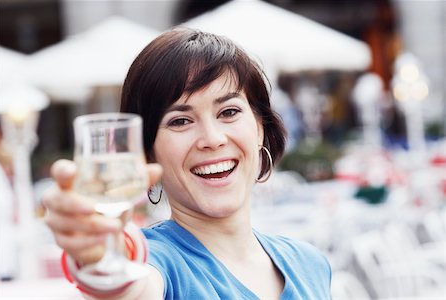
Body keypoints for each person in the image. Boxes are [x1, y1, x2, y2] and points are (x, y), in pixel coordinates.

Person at [43, 27, 332, 299]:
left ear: (259, 127)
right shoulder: (160, 264)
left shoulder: (310, 263)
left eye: (229, 112)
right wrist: (101, 256)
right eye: (180, 121)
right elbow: (129, 288)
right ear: (147, 153)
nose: (212, 138)